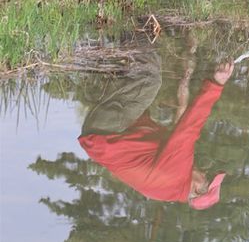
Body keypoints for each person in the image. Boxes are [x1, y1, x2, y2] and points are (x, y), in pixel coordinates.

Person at [78, 60, 234, 210]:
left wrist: (216, 84)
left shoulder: (176, 179)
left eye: (207, 179)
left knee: (150, 78)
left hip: (106, 130)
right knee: (139, 88)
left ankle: (134, 36)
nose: (205, 173)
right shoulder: (168, 191)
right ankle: (105, 59)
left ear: (197, 190)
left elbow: (189, 129)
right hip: (106, 133)